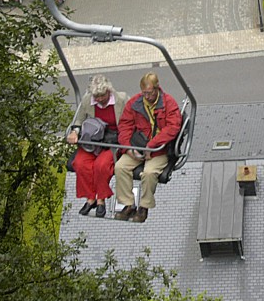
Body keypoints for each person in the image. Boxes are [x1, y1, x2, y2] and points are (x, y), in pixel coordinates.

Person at [114, 72, 183, 223]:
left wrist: (152, 146)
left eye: (150, 93)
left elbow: (172, 128)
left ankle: (144, 206)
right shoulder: (135, 103)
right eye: (144, 93)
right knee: (120, 167)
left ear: (157, 89)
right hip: (138, 147)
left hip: (158, 149)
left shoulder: (168, 104)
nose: (147, 96)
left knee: (149, 172)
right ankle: (127, 203)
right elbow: (125, 126)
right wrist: (128, 148)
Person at [67, 75, 121, 218]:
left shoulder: (121, 100)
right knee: (80, 163)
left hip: (111, 141)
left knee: (101, 165)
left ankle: (101, 199)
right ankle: (90, 197)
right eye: (96, 97)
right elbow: (79, 120)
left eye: (102, 96)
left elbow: (129, 122)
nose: (99, 100)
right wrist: (75, 132)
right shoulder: (87, 101)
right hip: (93, 139)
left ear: (108, 91)